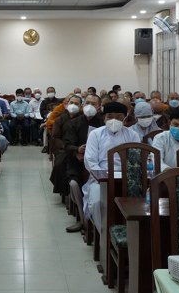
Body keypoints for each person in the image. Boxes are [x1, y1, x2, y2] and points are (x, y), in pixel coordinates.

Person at [83, 102, 142, 234]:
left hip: (127, 179)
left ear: (125, 118)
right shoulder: (95, 134)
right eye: (110, 116)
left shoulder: (132, 135)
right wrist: (103, 177)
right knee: (97, 202)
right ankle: (103, 234)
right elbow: (90, 161)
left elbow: (136, 161)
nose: (114, 120)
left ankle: (133, 234)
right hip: (99, 179)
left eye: (118, 117)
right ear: (104, 118)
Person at [60, 94, 104, 232]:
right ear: (83, 105)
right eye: (87, 103)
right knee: (74, 184)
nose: (90, 106)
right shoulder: (73, 123)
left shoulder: (103, 123)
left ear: (99, 107)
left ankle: (98, 221)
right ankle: (82, 218)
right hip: (77, 161)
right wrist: (77, 149)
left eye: (93, 104)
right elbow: (67, 145)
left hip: (99, 163)